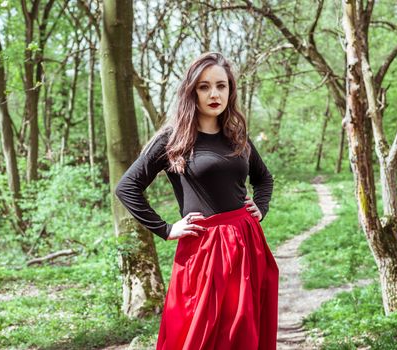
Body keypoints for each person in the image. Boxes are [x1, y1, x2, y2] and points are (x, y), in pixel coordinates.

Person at [115, 52, 278, 349]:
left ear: (230, 90)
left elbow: (263, 178)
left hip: (245, 243)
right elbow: (127, 187)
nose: (214, 94)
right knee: (196, 334)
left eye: (221, 86)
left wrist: (261, 206)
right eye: (204, 87)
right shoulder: (173, 139)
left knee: (241, 331)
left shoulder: (236, 134)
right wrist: (166, 229)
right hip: (204, 249)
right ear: (192, 91)